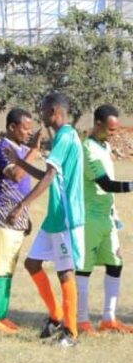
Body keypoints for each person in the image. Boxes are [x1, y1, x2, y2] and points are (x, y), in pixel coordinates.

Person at [6, 92, 84, 347]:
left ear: (53, 111)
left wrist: (21, 205)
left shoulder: (65, 136)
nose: (40, 115)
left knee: (65, 272)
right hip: (54, 216)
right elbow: (49, 174)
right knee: (32, 263)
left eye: (42, 110)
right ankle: (56, 316)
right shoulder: (63, 136)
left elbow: (49, 177)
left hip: (66, 216)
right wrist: (20, 162)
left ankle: (71, 332)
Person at [76, 104, 133, 334]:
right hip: (89, 218)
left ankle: (108, 319)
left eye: (115, 129)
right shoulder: (87, 149)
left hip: (107, 217)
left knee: (115, 263)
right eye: (110, 129)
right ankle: (82, 320)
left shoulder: (105, 145)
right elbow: (106, 184)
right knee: (84, 268)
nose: (113, 134)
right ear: (97, 124)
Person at [0, 108, 39, 334]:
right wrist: (34, 151)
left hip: (16, 216)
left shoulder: (21, 150)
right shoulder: (2, 148)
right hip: (1, 214)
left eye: (30, 129)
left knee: (8, 269)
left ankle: (2, 316)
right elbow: (16, 175)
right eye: (25, 128)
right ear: (12, 127)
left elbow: (23, 186)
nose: (29, 132)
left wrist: (26, 215)